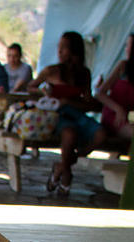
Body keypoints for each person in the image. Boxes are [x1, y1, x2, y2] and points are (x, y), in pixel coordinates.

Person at [28, 31, 103, 196]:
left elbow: (87, 100)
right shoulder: (51, 71)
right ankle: (67, 174)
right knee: (70, 134)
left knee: (100, 135)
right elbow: (31, 87)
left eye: (65, 48)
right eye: (59, 47)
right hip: (58, 115)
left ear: (74, 51)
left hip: (77, 113)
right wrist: (43, 92)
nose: (60, 51)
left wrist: (80, 101)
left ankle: (63, 165)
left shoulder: (84, 73)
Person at [95, 31, 134, 140]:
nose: (126, 49)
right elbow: (100, 93)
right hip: (115, 117)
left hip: (132, 119)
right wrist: (118, 109)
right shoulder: (123, 66)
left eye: (128, 46)